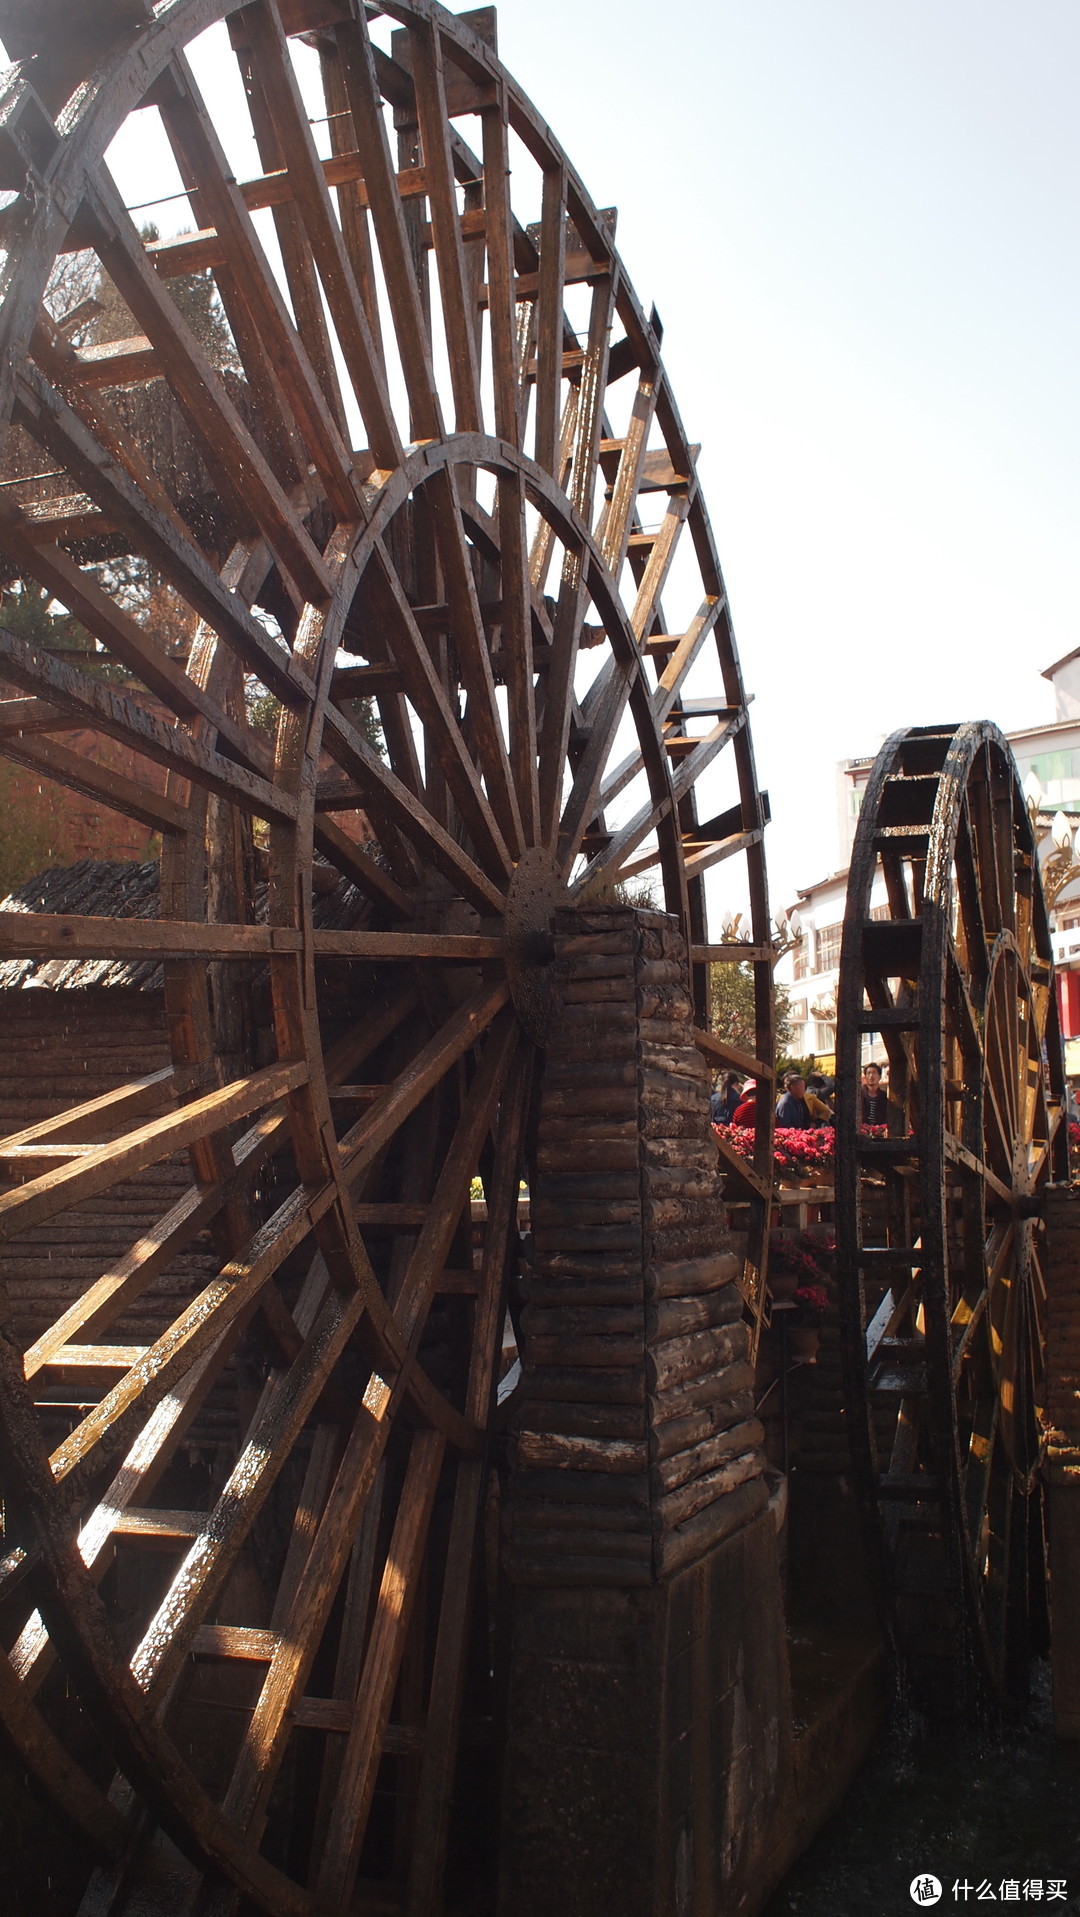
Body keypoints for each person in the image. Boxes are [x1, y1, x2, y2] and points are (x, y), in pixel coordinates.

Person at [860, 1061, 888, 1126]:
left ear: (879, 1076)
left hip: (879, 1131)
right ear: (865, 1076)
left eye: (874, 1073)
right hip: (862, 1131)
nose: (871, 1076)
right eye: (868, 1073)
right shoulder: (860, 1094)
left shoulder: (884, 1096)